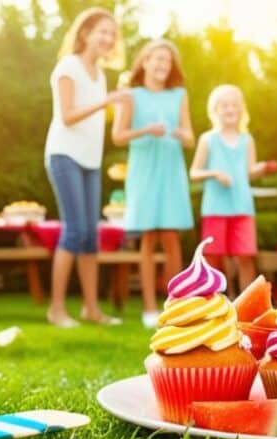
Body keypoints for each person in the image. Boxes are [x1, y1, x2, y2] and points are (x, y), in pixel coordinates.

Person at [44, 7, 127, 328]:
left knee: (91, 236)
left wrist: (119, 105)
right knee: (75, 230)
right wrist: (107, 102)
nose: (107, 38)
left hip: (90, 160)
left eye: (111, 33)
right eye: (101, 31)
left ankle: (91, 309)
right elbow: (68, 115)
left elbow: (96, 115)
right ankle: (56, 309)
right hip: (65, 155)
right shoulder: (68, 67)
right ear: (85, 33)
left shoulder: (100, 74)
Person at [111, 39, 195, 328]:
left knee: (171, 238)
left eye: (167, 60)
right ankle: (149, 307)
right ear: (144, 62)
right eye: (157, 58)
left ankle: (176, 306)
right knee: (147, 238)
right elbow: (118, 136)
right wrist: (147, 129)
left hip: (171, 169)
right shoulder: (131, 95)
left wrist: (181, 135)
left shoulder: (179, 95)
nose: (162, 64)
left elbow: (191, 136)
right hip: (144, 170)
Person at [189, 85, 275, 291]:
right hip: (215, 208)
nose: (230, 110)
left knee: (245, 257)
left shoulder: (247, 140)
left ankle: (247, 308)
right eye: (225, 105)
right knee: (212, 259)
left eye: (234, 106)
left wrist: (260, 168)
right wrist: (215, 174)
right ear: (215, 110)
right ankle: (213, 305)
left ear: (241, 110)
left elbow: (249, 172)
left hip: (242, 207)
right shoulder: (207, 140)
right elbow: (194, 173)